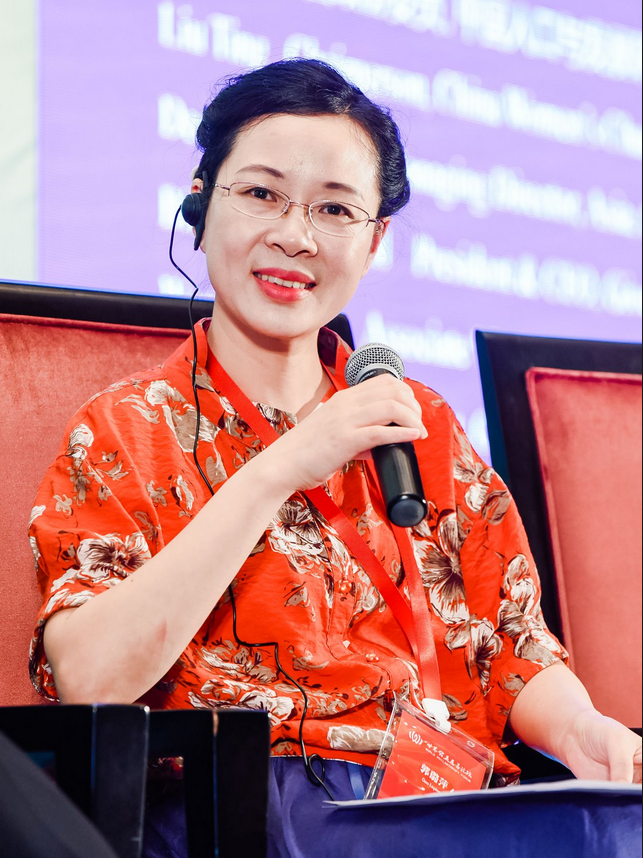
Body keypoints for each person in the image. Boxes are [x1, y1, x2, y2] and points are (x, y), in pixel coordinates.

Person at [29, 59, 641, 856]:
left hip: (442, 802)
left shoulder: (416, 422)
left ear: (374, 239)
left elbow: (510, 645)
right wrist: (279, 468)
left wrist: (580, 729)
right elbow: (90, 675)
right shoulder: (129, 428)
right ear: (198, 205)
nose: (296, 236)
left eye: (335, 209)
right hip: (249, 803)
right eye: (261, 194)